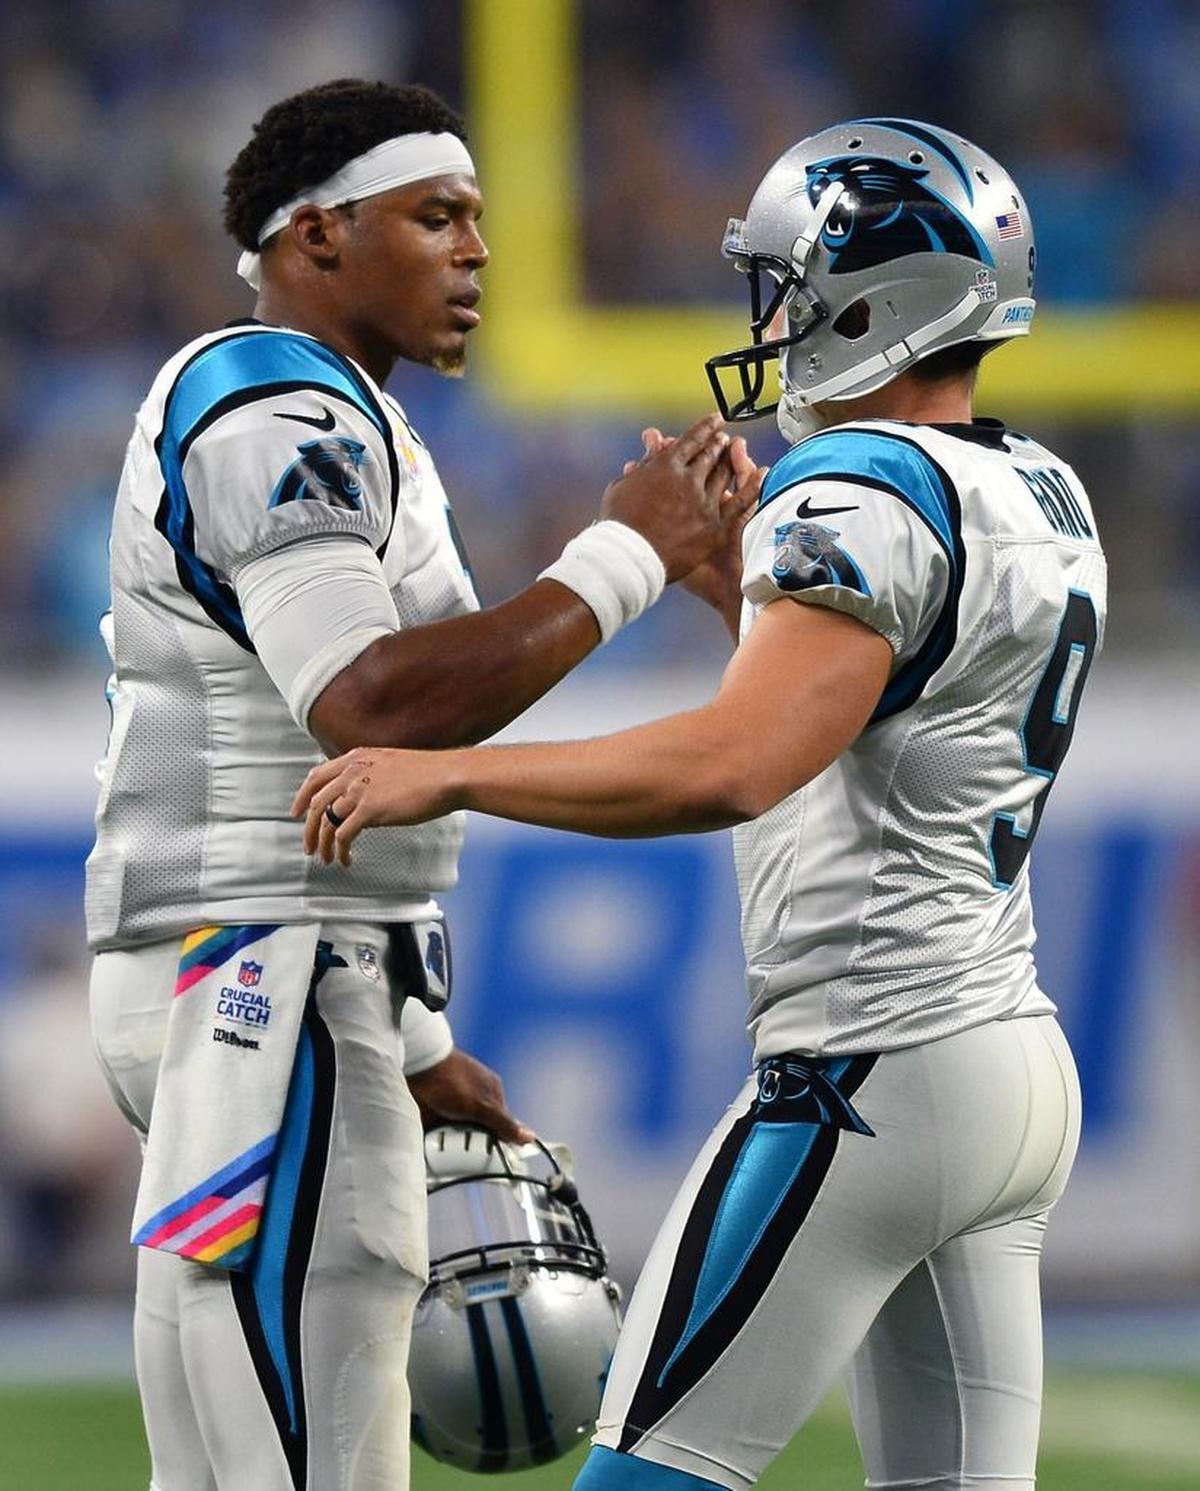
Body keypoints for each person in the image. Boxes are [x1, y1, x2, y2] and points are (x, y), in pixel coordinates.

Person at [295, 118, 1107, 1491]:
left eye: (794, 285)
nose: (775, 320)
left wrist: (451, 771)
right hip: (1008, 1064)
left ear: (876, 300)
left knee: (644, 1479)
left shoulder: (863, 486)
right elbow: (884, 707)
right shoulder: (1040, 488)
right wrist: (730, 587)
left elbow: (737, 762)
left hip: (871, 1074)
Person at [86, 77, 759, 1491]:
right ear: (315, 237)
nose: (478, 251)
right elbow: (367, 707)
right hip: (259, 982)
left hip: (283, 984)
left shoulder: (338, 415)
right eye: (436, 216)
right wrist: (622, 555)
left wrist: (409, 1030)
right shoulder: (268, 400)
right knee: (307, 1463)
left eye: (478, 220)